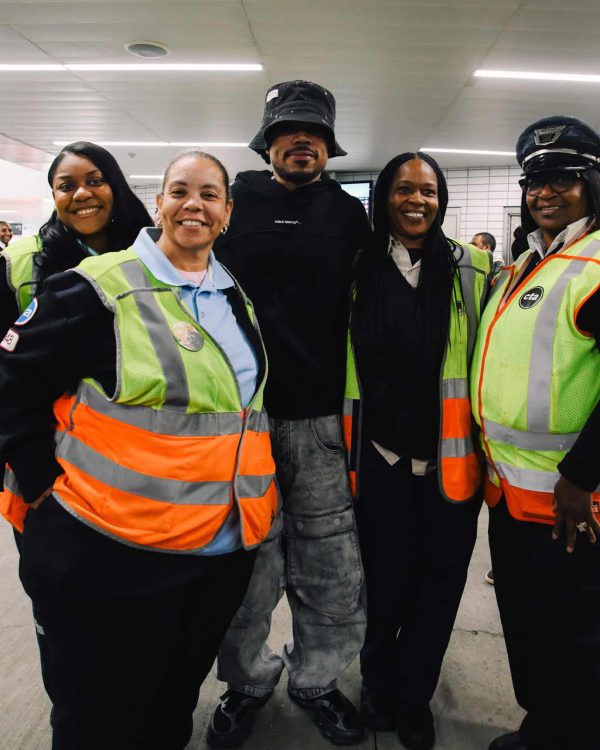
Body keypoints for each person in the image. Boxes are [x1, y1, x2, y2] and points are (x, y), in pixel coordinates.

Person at [0, 150, 278, 750]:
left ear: (228, 212)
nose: (193, 205)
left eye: (209, 194)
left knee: (170, 706)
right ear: (158, 204)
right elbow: (10, 383)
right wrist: (39, 480)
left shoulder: (232, 293)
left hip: (217, 554)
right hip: (114, 554)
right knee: (100, 718)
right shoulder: (94, 288)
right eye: (180, 191)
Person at [207, 80, 372, 747]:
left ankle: (317, 681)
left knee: (330, 567)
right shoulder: (233, 202)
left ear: (328, 147)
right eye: (288, 131)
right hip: (239, 422)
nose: (302, 141)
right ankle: (246, 683)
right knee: (246, 567)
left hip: (320, 422)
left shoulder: (348, 214)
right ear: (268, 143)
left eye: (315, 133)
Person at [349, 152, 490, 750]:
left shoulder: (472, 269)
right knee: (382, 582)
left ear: (442, 200)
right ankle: (377, 683)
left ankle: (414, 696)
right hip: (378, 458)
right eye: (404, 189)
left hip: (449, 462)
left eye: (428, 191)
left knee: (439, 585)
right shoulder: (356, 266)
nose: (416, 201)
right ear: (384, 197)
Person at [471, 116, 600, 750]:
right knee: (527, 625)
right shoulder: (527, 262)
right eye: (534, 182)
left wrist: (582, 476)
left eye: (563, 179)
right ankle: (543, 727)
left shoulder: (595, 262)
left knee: (575, 636)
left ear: (591, 184)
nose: (545, 192)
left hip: (571, 503)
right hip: (511, 495)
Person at [0, 141, 151, 348]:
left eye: (95, 181)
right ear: (54, 197)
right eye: (66, 187)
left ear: (115, 188)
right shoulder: (16, 264)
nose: (81, 194)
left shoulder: (146, 255)